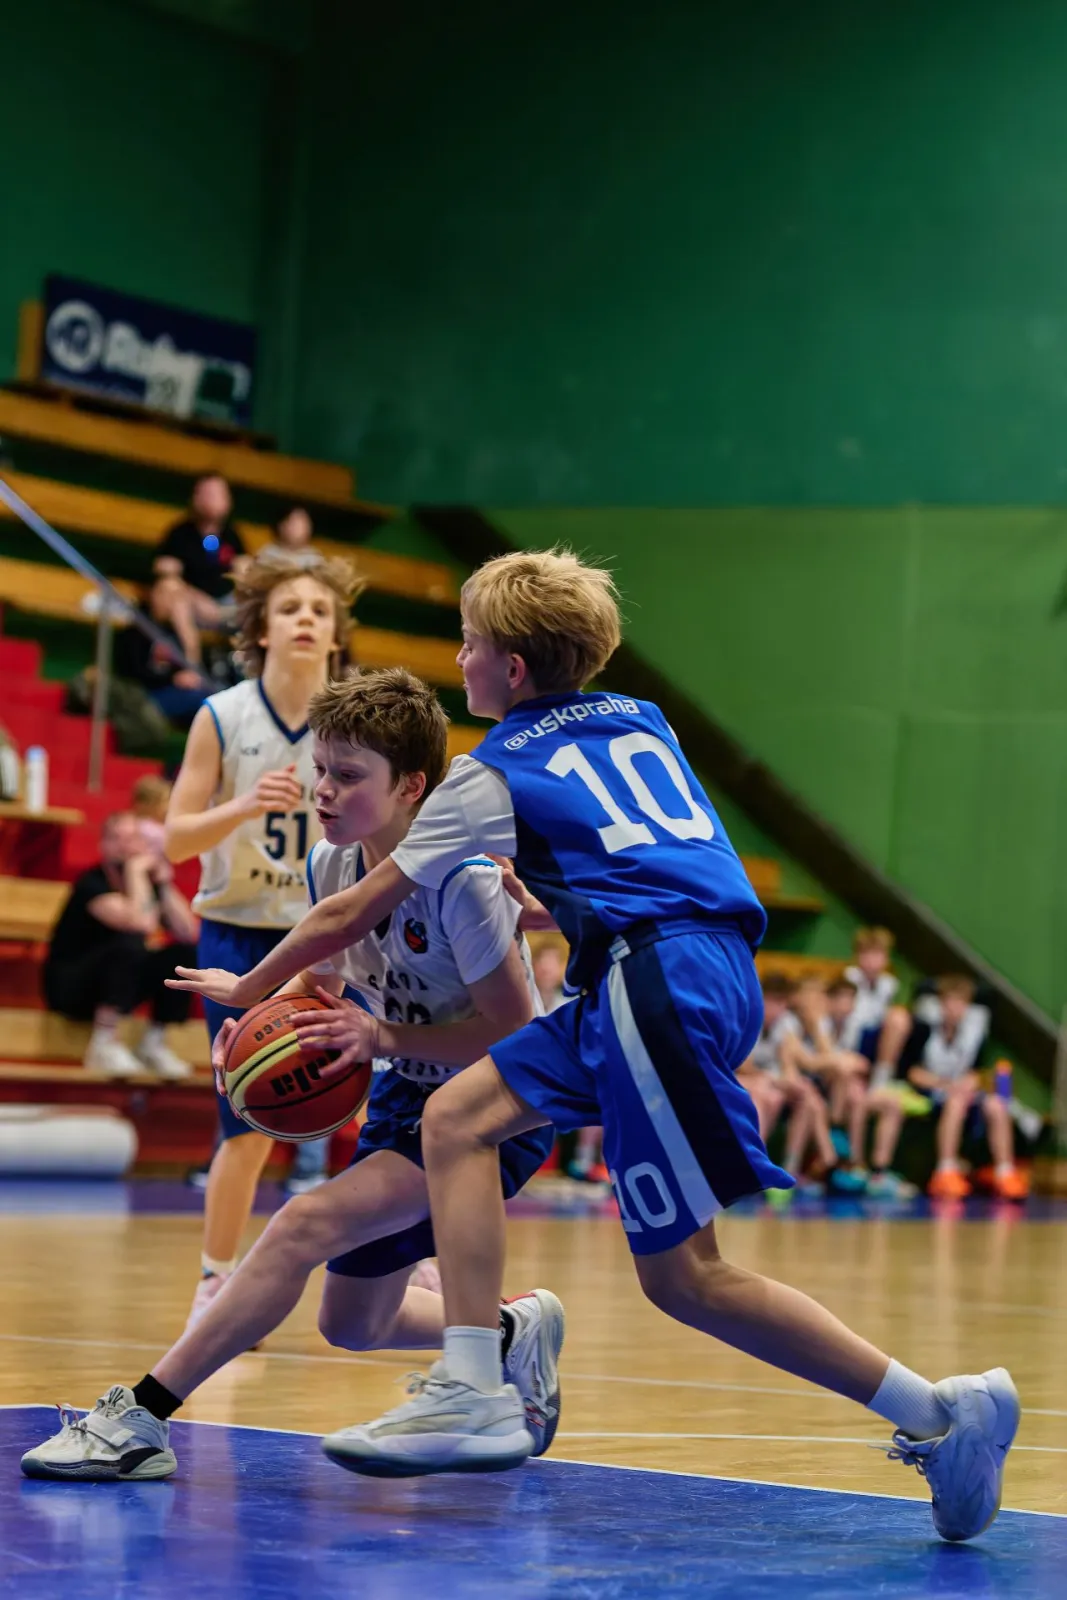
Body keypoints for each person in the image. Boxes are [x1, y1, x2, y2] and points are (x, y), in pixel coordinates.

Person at [162, 550, 1019, 1542]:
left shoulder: (487, 774)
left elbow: (350, 908)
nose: (460, 659)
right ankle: (478, 1372)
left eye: (469, 645)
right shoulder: (640, 718)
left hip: (652, 984)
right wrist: (555, 902)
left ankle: (937, 1413)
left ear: (512, 668)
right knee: (457, 1117)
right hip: (676, 966)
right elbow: (647, 851)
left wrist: (248, 987)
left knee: (686, 1277)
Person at [20, 669, 563, 1483]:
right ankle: (513, 1330)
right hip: (406, 1096)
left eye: (349, 776)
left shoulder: (463, 884)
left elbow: (515, 1036)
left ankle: (138, 1419)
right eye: (319, 770)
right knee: (353, 1323)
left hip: (494, 1109)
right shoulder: (330, 863)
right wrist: (260, 1035)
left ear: (412, 787)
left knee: (300, 1223)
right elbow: (326, 978)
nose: (324, 790)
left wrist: (379, 1034)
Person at [163, 546, 359, 1331]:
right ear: (262, 629)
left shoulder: (355, 718)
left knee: (379, 1108)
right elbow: (176, 838)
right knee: (246, 1122)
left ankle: (399, 1261)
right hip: (239, 935)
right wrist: (244, 807)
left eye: (319, 609)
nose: (306, 618)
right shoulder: (223, 715)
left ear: (335, 632)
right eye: (290, 608)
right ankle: (216, 1282)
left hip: (330, 937)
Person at [42, 812, 199, 1079]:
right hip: (71, 988)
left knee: (181, 955)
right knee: (130, 944)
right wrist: (136, 871)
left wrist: (164, 884)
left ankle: (154, 1043)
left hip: (118, 986)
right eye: (117, 838)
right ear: (102, 845)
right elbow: (140, 924)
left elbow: (189, 932)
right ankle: (104, 1042)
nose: (126, 845)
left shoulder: (147, 885)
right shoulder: (91, 883)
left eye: (133, 838)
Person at [901, 975, 1027, 1201]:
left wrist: (969, 1082)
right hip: (932, 1090)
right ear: (941, 1004)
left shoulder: (975, 1033)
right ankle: (946, 1170)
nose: (955, 1008)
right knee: (955, 1102)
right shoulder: (924, 1029)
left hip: (964, 1090)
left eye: (960, 1003)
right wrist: (945, 1084)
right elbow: (911, 1072)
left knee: (996, 1105)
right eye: (950, 1002)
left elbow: (977, 1071)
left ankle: (1005, 1172)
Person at [736, 972, 851, 1195]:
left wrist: (792, 1083)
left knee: (806, 1096)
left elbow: (788, 1064)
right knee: (768, 1095)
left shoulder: (785, 1024)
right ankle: (752, 1164)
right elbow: (743, 1065)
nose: (775, 1008)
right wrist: (778, 1080)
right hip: (741, 1078)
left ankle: (791, 1169)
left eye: (780, 1003)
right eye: (771, 1001)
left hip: (769, 1081)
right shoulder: (747, 1018)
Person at [154, 474, 248, 662]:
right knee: (172, 590)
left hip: (227, 606)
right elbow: (165, 570)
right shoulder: (180, 533)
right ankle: (192, 661)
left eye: (218, 494)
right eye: (207, 494)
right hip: (193, 606)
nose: (212, 500)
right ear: (195, 499)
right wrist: (198, 599)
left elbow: (244, 568)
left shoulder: (232, 535)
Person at [113, 574, 209, 727]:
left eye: (179, 595)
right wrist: (173, 679)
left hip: (174, 693)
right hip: (141, 695)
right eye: (168, 594)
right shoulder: (137, 627)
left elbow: (195, 670)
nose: (174, 601)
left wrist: (186, 628)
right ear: (153, 594)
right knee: (204, 701)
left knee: (212, 698)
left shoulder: (178, 631)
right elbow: (133, 672)